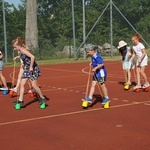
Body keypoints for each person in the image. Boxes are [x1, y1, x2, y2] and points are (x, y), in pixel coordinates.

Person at [12, 37, 46, 106]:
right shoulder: (20, 51)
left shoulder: (23, 50)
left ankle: (42, 98)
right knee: (22, 83)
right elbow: (24, 57)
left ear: (19, 46)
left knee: (34, 85)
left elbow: (32, 57)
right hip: (27, 68)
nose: (14, 49)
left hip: (32, 68)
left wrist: (30, 66)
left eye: (15, 47)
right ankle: (20, 100)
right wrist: (23, 63)